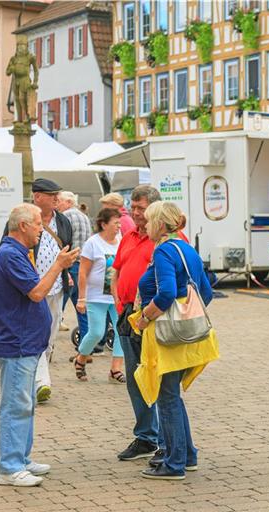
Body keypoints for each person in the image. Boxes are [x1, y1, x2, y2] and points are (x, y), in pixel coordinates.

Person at [0, 204, 78, 486]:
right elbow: (38, 292)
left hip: (26, 343)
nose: (42, 229)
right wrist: (59, 266)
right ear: (23, 226)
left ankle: (21, 459)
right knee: (16, 405)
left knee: (25, 404)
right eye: (38, 224)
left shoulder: (16, 253)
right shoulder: (10, 255)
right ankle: (9, 467)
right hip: (17, 343)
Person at [133, 201, 217, 479]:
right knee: (172, 396)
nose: (144, 225)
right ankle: (186, 454)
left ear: (160, 223)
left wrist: (146, 316)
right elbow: (206, 292)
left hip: (167, 335)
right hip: (188, 334)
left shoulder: (164, 251)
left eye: (148, 221)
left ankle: (174, 463)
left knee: (166, 398)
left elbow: (166, 292)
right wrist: (187, 313)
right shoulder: (187, 249)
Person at [110, 185, 165, 462]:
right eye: (133, 207)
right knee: (134, 377)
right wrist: (119, 302)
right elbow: (117, 270)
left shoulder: (166, 239)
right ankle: (146, 437)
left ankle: (165, 441)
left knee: (158, 379)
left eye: (140, 208)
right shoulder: (129, 235)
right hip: (128, 314)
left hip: (152, 315)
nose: (135, 212)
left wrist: (148, 313)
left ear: (154, 208)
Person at [11, 178, 74, 403]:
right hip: (33, 288)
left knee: (50, 335)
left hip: (57, 286)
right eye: (52, 194)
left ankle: (37, 377)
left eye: (58, 194)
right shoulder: (25, 220)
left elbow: (66, 249)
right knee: (36, 334)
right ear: (38, 197)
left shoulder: (63, 221)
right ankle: (41, 382)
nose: (57, 198)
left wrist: (67, 274)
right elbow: (11, 248)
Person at [71, 208, 125, 383]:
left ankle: (115, 370)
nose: (119, 226)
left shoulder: (121, 240)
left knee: (121, 332)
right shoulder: (93, 243)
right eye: (115, 223)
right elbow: (83, 272)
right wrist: (81, 298)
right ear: (104, 224)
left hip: (117, 296)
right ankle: (81, 358)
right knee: (96, 332)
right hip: (96, 296)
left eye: (119, 222)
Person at [58, 191, 92, 345]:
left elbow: (64, 242)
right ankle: (85, 347)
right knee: (82, 308)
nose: (57, 204)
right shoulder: (84, 217)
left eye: (60, 201)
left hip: (70, 266)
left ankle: (46, 346)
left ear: (69, 202)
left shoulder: (66, 217)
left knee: (58, 306)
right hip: (83, 266)